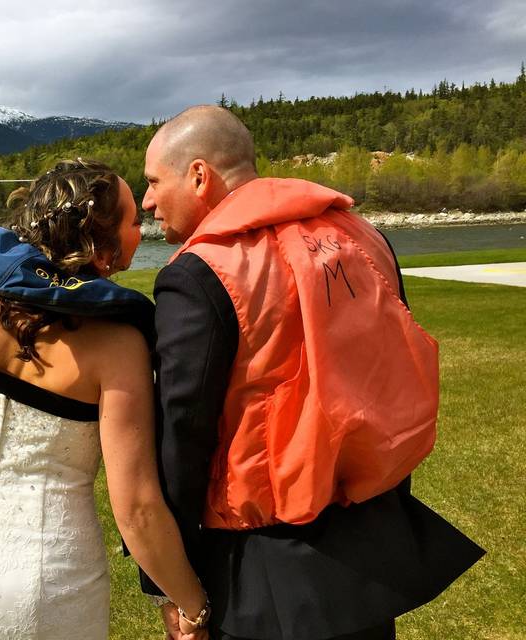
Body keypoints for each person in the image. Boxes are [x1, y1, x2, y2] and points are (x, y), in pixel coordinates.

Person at [140, 106, 484, 640]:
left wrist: (173, 583)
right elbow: (390, 377)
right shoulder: (363, 237)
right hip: (371, 550)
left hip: (262, 570)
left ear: (200, 176)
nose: (148, 201)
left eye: (154, 182)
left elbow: (181, 438)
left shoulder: (201, 273)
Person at [0, 159, 210, 639]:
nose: (143, 228)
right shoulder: (118, 345)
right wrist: (191, 603)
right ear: (100, 239)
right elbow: (136, 509)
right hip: (46, 586)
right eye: (134, 220)